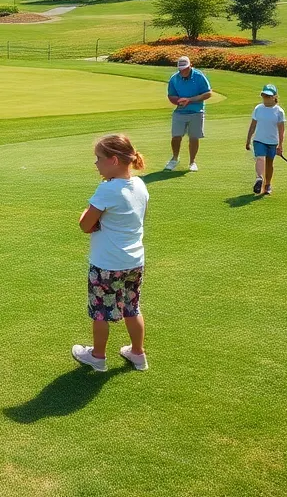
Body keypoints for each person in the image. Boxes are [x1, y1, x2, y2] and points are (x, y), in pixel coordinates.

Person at [72, 134, 149, 372]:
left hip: (107, 263)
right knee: (132, 307)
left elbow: (86, 225)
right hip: (134, 261)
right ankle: (138, 354)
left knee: (101, 312)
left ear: (113, 160)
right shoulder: (140, 185)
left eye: (99, 158)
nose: (96, 164)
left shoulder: (107, 189)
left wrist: (85, 215)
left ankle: (98, 357)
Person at [165, 56, 212, 171]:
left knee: (194, 137)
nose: (182, 71)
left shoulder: (199, 76)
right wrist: (178, 101)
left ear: (190, 66)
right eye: (180, 69)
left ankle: (192, 162)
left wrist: (190, 100)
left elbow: (208, 93)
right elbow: (171, 95)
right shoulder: (174, 79)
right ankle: (175, 158)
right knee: (176, 136)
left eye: (185, 69)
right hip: (180, 112)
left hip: (197, 111)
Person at [245, 84, 286, 195]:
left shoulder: (279, 111)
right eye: (264, 95)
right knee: (260, 158)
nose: (265, 98)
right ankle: (259, 179)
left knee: (269, 163)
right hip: (259, 140)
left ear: (274, 97)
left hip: (272, 142)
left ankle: (267, 185)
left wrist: (280, 145)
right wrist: (248, 140)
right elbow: (253, 125)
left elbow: (281, 130)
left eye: (268, 96)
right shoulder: (258, 108)